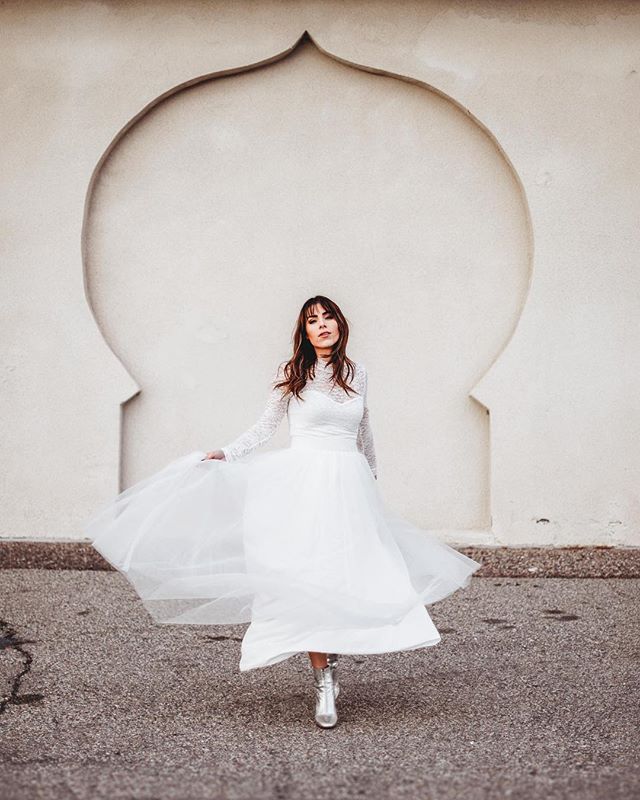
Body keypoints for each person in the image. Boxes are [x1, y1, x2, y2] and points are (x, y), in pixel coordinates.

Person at [86, 295, 482, 729]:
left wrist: (371, 474)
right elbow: (265, 425)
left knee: (351, 576)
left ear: (340, 324)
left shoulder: (357, 372)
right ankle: (323, 679)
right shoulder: (290, 372)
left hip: (348, 485)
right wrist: (229, 453)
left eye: (328, 316)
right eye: (313, 320)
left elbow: (363, 425)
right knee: (307, 578)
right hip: (303, 483)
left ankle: (330, 655)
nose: (322, 324)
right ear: (305, 332)